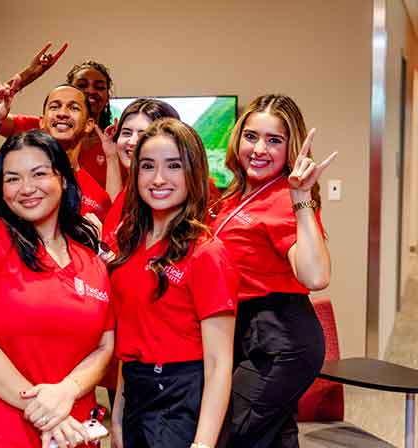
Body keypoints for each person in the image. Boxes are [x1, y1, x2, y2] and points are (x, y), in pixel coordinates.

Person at [0, 130, 115, 447]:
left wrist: (66, 392)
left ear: (62, 179)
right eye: (12, 179)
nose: (26, 189)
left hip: (72, 432)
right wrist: (45, 410)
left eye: (38, 174)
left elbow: (104, 347)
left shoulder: (90, 259)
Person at [209, 94, 336, 447]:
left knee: (229, 433)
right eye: (251, 136)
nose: (259, 149)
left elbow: (315, 277)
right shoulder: (233, 195)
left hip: (280, 338)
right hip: (245, 331)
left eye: (274, 140)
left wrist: (301, 197)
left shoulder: (285, 199)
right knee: (277, 435)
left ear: (290, 149)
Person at [107, 118, 238, 448]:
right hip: (136, 391)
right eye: (148, 166)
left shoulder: (207, 253)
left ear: (193, 173)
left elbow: (219, 363)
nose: (159, 179)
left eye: (174, 166)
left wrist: (203, 444)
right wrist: (119, 413)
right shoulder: (128, 243)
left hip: (183, 396)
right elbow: (132, 334)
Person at [0, 44, 114, 186]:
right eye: (82, 85)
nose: (90, 91)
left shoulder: (115, 142)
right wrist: (29, 74)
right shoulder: (42, 127)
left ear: (107, 96)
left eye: (99, 87)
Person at [96, 98, 181, 243]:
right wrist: (111, 156)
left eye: (143, 134)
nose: (132, 141)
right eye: (127, 133)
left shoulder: (161, 193)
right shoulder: (131, 187)